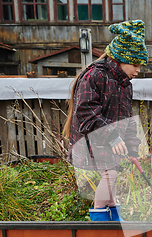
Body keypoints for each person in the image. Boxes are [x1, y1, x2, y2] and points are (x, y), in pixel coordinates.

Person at [63, 20, 147, 218]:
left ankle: (114, 220)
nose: (138, 70)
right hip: (91, 138)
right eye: (135, 64)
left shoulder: (125, 84)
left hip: (109, 139)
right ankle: (99, 222)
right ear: (119, 59)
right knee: (110, 174)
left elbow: (126, 120)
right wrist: (113, 137)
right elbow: (86, 114)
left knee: (112, 176)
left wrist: (132, 149)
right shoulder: (94, 76)